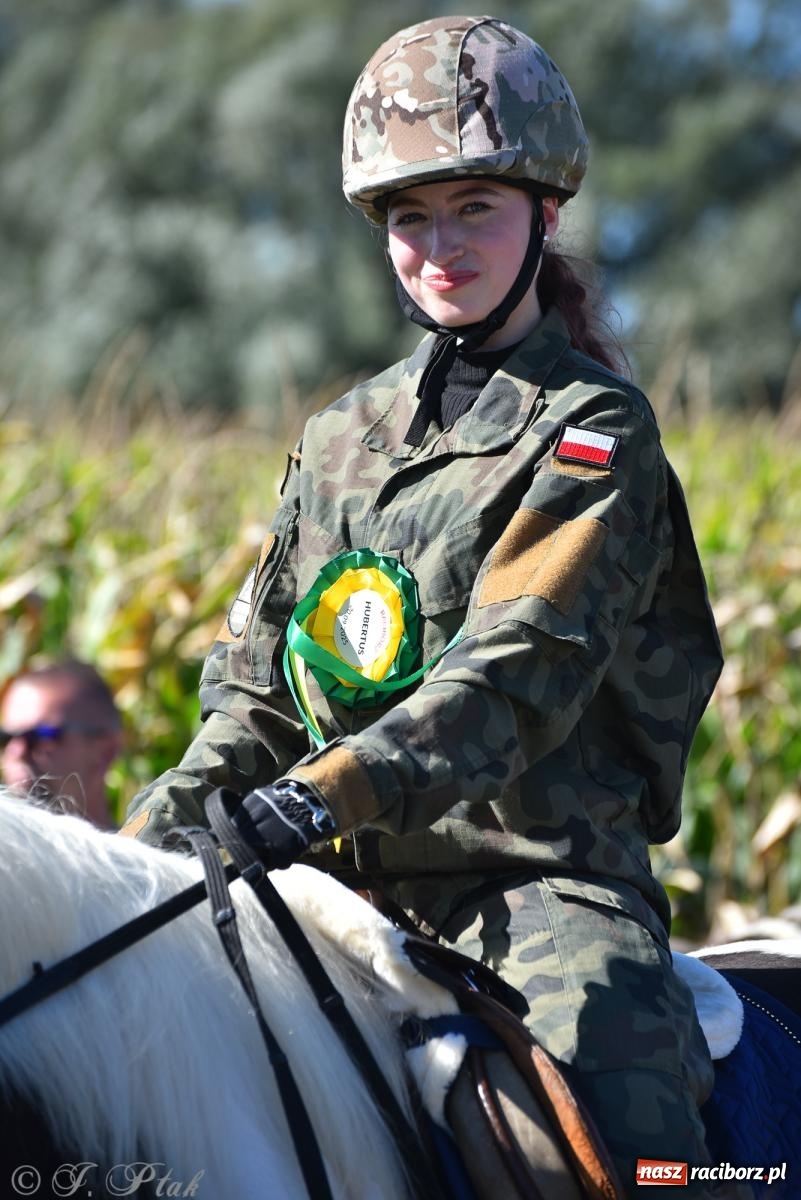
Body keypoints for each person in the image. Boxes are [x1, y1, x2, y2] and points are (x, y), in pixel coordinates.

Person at [123, 16, 732, 1196]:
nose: (438, 248)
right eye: (410, 219)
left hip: (533, 891)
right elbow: (255, 687)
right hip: (337, 890)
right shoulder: (338, 436)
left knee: (619, 1134)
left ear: (543, 214)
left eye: (473, 211)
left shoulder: (595, 432)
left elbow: (514, 670)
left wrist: (313, 800)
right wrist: (138, 851)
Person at [1, 660, 123, 829]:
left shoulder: (145, 853)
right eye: (6, 738)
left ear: (105, 751)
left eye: (42, 735)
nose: (18, 751)